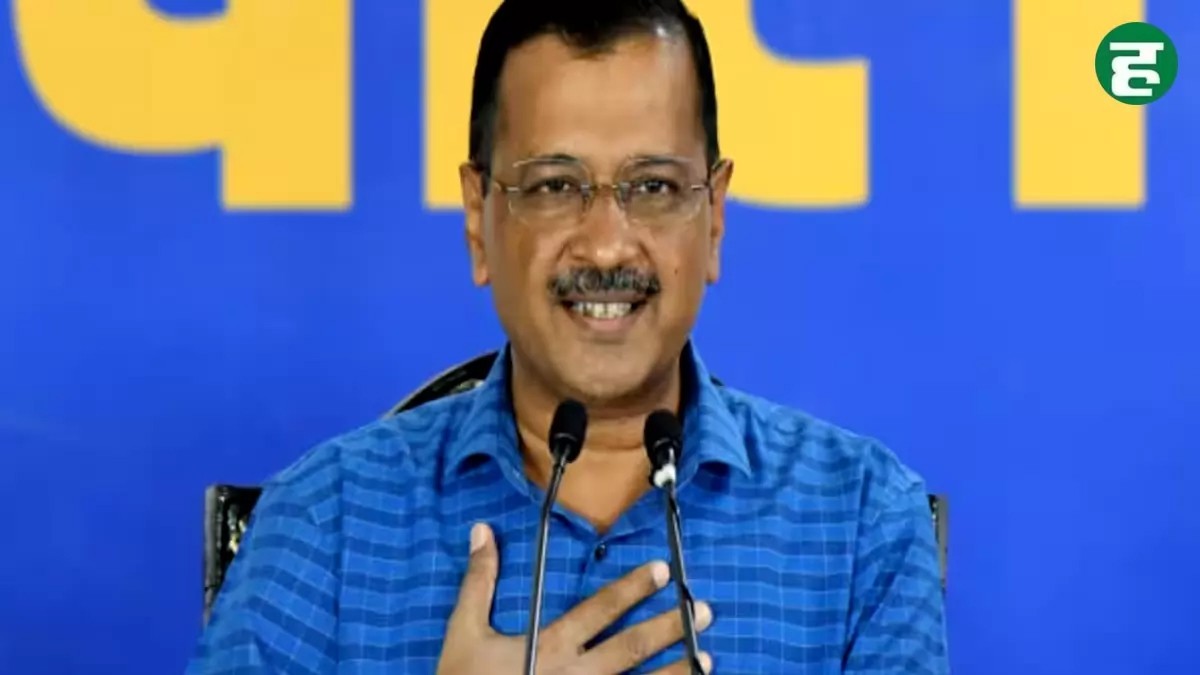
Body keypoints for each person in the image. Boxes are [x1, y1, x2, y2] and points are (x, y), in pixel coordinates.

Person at [187, 1, 950, 673]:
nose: (607, 245)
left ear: (714, 217)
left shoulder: (859, 524)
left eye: (653, 186)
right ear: (478, 217)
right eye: (555, 186)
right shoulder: (328, 523)